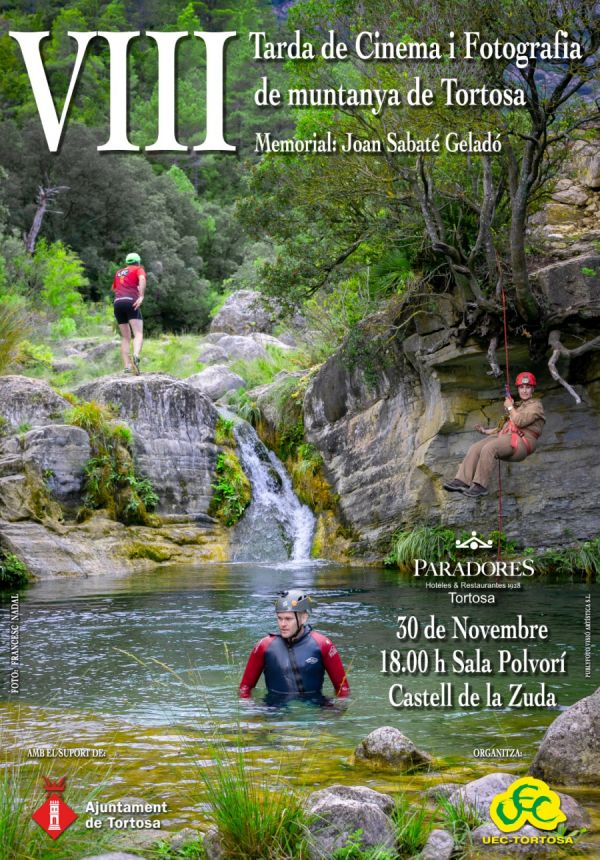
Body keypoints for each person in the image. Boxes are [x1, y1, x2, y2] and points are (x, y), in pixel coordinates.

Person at [443, 372, 545, 498]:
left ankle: (480, 486)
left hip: (521, 443)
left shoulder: (536, 406)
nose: (524, 390)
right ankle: (462, 481)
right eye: (521, 387)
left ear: (532, 389)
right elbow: (505, 427)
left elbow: (519, 421)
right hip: (507, 437)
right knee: (475, 448)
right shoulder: (517, 406)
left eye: (527, 387)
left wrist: (509, 408)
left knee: (489, 448)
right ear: (518, 389)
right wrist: (486, 431)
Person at [239, 589, 350, 705]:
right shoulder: (264, 646)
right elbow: (245, 688)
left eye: (288, 619)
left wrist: (334, 713)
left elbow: (343, 688)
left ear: (304, 618)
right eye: (279, 618)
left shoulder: (323, 644)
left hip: (314, 709)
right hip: (274, 711)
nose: (282, 624)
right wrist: (252, 712)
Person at [112, 252, 146, 374]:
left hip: (117, 303)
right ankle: (136, 355)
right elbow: (142, 279)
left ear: (127, 262)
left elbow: (115, 288)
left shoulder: (119, 272)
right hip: (131, 302)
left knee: (126, 337)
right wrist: (141, 296)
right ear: (138, 262)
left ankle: (127, 366)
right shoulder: (138, 269)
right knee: (138, 333)